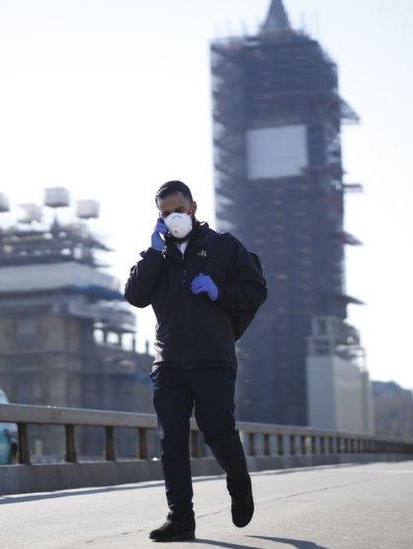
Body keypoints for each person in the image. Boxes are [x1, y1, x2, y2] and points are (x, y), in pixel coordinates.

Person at [125, 180, 267, 542]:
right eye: (165, 212)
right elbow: (135, 296)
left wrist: (221, 292)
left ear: (193, 207)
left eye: (179, 209)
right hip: (169, 361)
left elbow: (256, 290)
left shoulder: (224, 246)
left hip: (213, 359)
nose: (174, 217)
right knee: (171, 440)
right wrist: (153, 254)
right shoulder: (157, 256)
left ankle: (238, 481)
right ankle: (181, 520)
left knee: (217, 430)